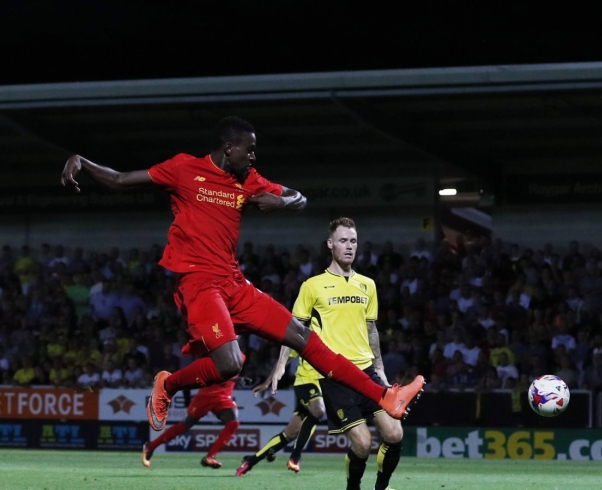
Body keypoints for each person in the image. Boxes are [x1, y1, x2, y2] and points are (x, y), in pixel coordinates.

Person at [60, 116, 425, 431]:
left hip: (234, 283)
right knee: (230, 363)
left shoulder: (247, 179)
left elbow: (300, 197)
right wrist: (82, 161)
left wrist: (281, 201)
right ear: (228, 147)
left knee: (303, 336)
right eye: (248, 149)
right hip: (199, 282)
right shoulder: (185, 169)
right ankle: (168, 386)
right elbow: (121, 180)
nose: (253, 156)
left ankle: (386, 396)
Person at [239, 217, 408, 490]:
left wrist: (379, 369)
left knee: (394, 433)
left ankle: (381, 489)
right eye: (343, 240)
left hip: (366, 371)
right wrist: (280, 368)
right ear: (330, 244)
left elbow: (372, 331)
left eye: (353, 241)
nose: (349, 246)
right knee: (362, 442)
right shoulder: (312, 286)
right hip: (335, 376)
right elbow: (293, 330)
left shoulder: (367, 285)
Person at [141, 360, 245, 470]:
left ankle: (210, 457)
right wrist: (234, 379)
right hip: (206, 396)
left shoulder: (241, 356)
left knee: (233, 423)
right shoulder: (219, 352)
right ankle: (150, 446)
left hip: (223, 397)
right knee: (184, 426)